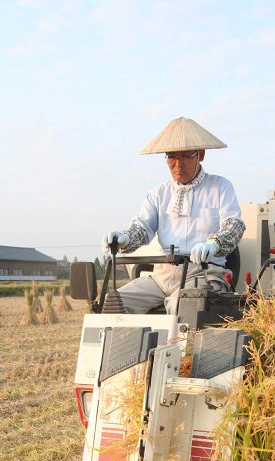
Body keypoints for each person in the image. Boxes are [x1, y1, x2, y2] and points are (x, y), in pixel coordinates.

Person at [102, 117, 245, 314]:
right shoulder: (158, 194)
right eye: (172, 157)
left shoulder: (220, 187)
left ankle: (167, 346)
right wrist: (124, 239)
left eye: (185, 156)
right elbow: (141, 228)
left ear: (200, 155)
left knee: (183, 306)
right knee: (112, 304)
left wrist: (214, 244)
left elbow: (234, 226)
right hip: (162, 276)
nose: (178, 164)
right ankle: (125, 344)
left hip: (204, 274)